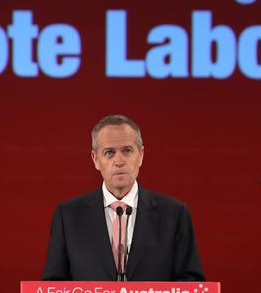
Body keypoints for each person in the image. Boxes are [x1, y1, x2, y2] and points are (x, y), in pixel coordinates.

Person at [41, 115, 205, 281]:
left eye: (127, 151)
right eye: (109, 153)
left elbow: (191, 283)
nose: (119, 161)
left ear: (140, 155)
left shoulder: (174, 214)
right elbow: (52, 284)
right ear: (95, 159)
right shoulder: (68, 216)